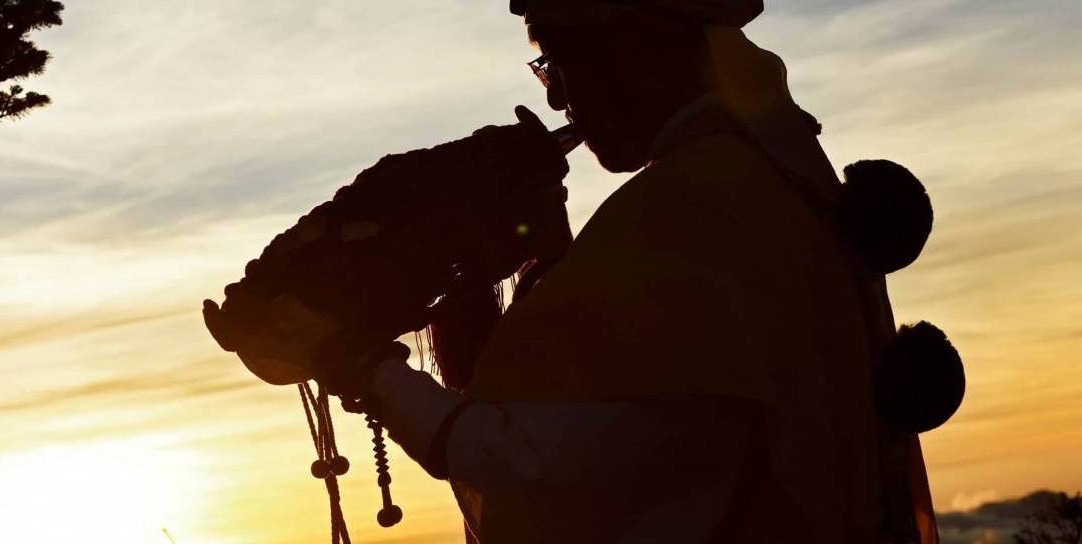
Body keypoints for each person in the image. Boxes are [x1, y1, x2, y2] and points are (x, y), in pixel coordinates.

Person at [310, 0, 942, 542]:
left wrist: (367, 368)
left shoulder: (689, 207)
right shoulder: (773, 183)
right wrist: (545, 264)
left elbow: (534, 479)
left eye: (557, 59)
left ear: (632, 43)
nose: (555, 95)